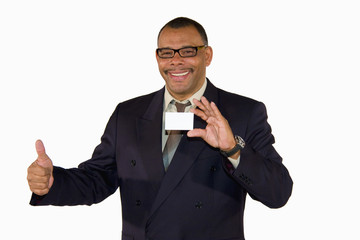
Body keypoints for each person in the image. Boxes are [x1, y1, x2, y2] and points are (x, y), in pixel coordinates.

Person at [27, 17, 293, 240]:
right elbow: (98, 178)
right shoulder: (128, 114)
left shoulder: (243, 112)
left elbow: (278, 193)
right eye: (166, 53)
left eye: (187, 51)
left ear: (207, 55)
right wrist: (53, 183)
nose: (176, 61)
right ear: (157, 58)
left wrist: (232, 149)